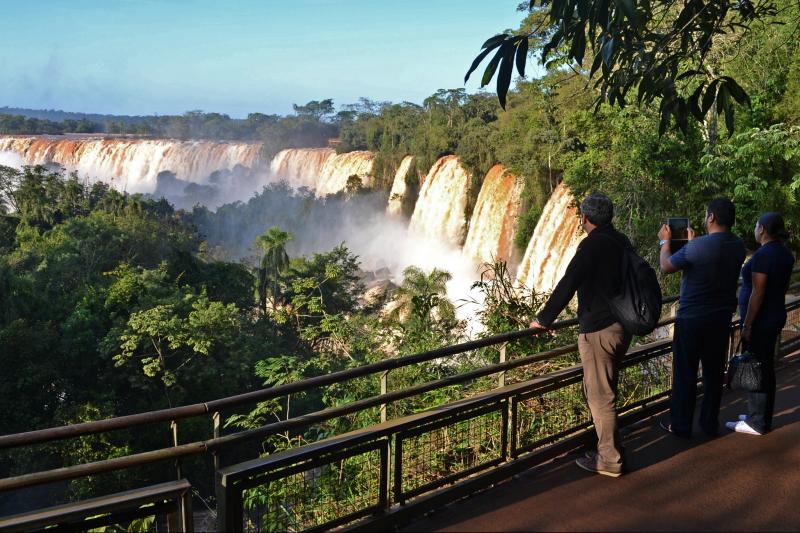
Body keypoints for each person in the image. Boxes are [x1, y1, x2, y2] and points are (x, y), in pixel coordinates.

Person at [530, 192, 632, 477]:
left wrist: (543, 319)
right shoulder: (621, 241)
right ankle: (611, 449)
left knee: (601, 397)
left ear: (585, 218)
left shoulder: (591, 246)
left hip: (600, 329)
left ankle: (610, 460)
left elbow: (568, 283)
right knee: (605, 390)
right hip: (623, 327)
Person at [658, 197, 746, 438]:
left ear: (711, 218)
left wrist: (665, 241)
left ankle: (681, 425)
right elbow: (711, 259)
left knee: (685, 374)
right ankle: (709, 423)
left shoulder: (697, 248)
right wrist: (693, 244)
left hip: (692, 319)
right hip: (720, 319)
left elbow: (666, 266)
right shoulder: (738, 246)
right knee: (714, 373)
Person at [727, 212, 795, 435]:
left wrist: (747, 324)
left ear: (763, 229)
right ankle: (758, 414)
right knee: (764, 366)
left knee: (757, 366)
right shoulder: (785, 253)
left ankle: (757, 422)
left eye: (756, 226)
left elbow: (758, 291)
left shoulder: (764, 255)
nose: (754, 230)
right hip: (774, 315)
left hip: (761, 320)